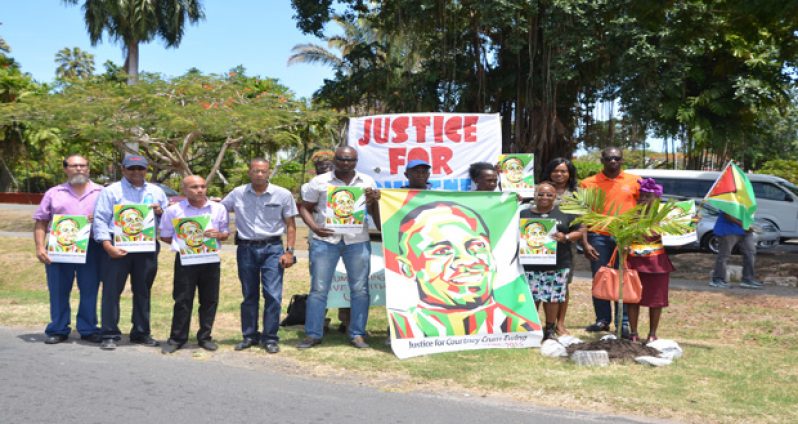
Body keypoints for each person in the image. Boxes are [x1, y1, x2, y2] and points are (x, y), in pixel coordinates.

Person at [389, 201, 538, 338]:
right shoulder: (401, 330)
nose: (468, 260)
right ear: (407, 268)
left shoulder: (521, 330)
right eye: (442, 251)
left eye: (477, 246)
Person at [297, 146, 380, 349]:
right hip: (325, 241)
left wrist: (374, 201)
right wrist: (315, 228)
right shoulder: (319, 182)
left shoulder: (367, 182)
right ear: (335, 160)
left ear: (356, 161)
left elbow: (373, 210)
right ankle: (313, 334)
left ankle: (357, 333)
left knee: (360, 289)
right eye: (342, 159)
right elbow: (303, 207)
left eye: (350, 160)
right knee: (319, 289)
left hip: (357, 240)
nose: (346, 163)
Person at [222, 158, 298, 354]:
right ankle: (249, 336)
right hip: (246, 249)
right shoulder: (237, 193)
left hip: (273, 248)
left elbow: (290, 225)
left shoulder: (282, 194)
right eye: (255, 171)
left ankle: (270, 338)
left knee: (273, 295)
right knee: (249, 295)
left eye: (263, 171)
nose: (259, 174)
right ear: (249, 172)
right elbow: (219, 210)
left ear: (269, 173)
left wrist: (289, 252)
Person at [93, 154, 168, 350]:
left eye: (140, 168)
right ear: (123, 169)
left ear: (146, 169)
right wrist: (107, 245)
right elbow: (100, 219)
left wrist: (160, 212)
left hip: (146, 247)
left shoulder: (156, 191)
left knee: (143, 291)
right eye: (131, 168)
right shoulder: (111, 191)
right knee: (111, 290)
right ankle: (109, 333)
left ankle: (141, 332)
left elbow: (167, 221)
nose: (136, 172)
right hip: (117, 246)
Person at [32, 154, 104, 344]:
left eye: (83, 165)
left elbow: (114, 219)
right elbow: (41, 221)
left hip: (91, 247)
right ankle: (58, 328)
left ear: (89, 168)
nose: (79, 169)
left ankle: (88, 328)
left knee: (89, 289)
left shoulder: (102, 192)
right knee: (58, 290)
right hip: (59, 248)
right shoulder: (53, 193)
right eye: (74, 166)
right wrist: (40, 247)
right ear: (65, 169)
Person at [159, 176, 230, 354]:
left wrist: (219, 236)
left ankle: (205, 337)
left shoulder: (218, 208)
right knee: (182, 299)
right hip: (186, 260)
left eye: (203, 186)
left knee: (209, 299)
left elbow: (225, 233)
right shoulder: (174, 211)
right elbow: (166, 236)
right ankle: (177, 338)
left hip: (210, 259)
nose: (199, 190)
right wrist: (183, 244)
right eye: (194, 187)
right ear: (184, 190)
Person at [580, 147, 640, 336]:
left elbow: (642, 209)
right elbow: (582, 214)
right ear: (602, 160)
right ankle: (602, 320)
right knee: (601, 277)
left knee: (623, 278)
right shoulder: (588, 183)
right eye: (609, 158)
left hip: (625, 236)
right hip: (598, 236)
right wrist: (585, 242)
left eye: (616, 158)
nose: (613, 161)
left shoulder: (635, 181)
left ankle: (623, 322)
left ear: (622, 160)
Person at [520, 182, 583, 340]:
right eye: (541, 194)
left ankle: (549, 329)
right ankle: (531, 328)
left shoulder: (565, 213)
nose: (544, 197)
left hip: (558, 263)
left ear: (556, 197)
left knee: (553, 298)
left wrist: (566, 237)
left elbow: (581, 230)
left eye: (549, 194)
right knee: (531, 297)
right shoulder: (523, 214)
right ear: (535, 195)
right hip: (530, 263)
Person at [627, 178, 675, 343]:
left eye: (648, 196)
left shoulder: (667, 216)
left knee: (657, 300)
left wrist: (690, 223)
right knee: (633, 299)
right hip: (634, 263)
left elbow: (679, 236)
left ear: (657, 199)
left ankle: (652, 334)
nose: (644, 200)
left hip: (657, 264)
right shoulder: (631, 215)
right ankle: (633, 333)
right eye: (641, 196)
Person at [539, 157, 578, 334]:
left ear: (570, 174)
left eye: (563, 171)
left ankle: (559, 323)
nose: (559, 174)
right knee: (536, 285)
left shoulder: (576, 194)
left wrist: (582, 243)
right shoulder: (538, 189)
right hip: (537, 247)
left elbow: (582, 223)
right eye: (555, 170)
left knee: (562, 285)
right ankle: (537, 323)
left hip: (565, 245)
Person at [709, 212, 762, 289]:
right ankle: (717, 279)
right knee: (724, 255)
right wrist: (743, 225)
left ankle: (747, 280)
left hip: (745, 232)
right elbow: (727, 215)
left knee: (750, 253)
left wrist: (750, 225)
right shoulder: (729, 200)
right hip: (728, 230)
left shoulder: (746, 200)